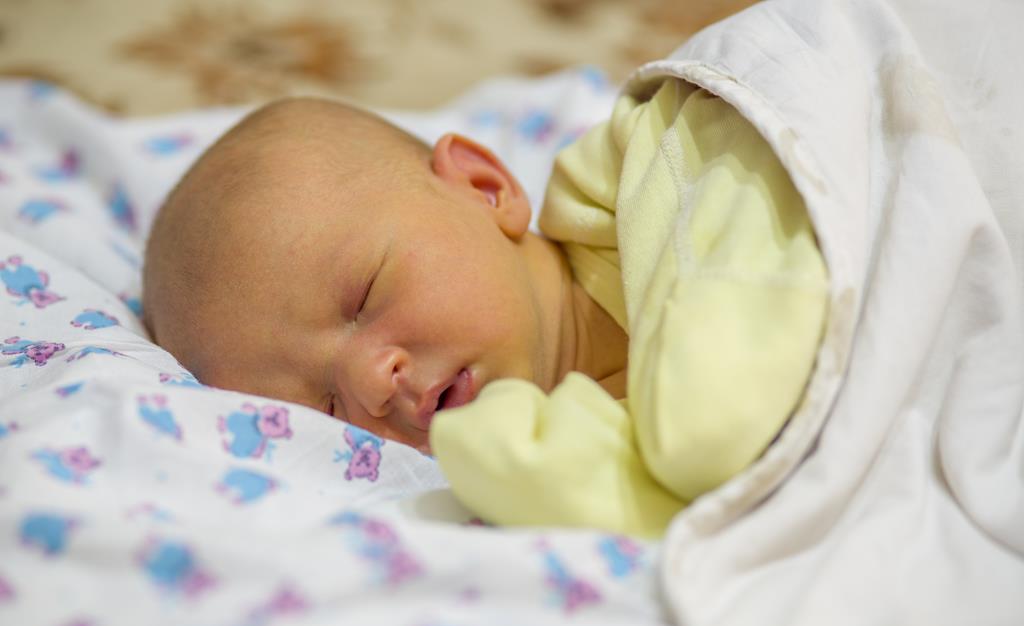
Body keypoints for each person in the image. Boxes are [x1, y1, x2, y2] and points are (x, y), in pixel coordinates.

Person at [143, 80, 829, 537]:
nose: (370, 383)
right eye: (323, 407)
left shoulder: (666, 161)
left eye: (363, 297)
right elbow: (695, 523)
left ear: (483, 186)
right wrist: (515, 462)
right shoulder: (552, 450)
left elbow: (716, 431)